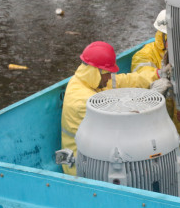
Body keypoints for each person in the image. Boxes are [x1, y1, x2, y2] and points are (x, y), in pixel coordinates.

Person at [131, 10, 180, 186]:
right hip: (158, 117)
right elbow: (140, 78)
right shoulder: (146, 55)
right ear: (163, 35)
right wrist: (160, 76)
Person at [60, 41, 151, 175]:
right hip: (83, 169)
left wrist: (156, 76)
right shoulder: (83, 101)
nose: (109, 78)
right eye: (108, 73)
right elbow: (119, 126)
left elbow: (125, 81)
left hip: (97, 157)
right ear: (96, 71)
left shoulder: (89, 81)